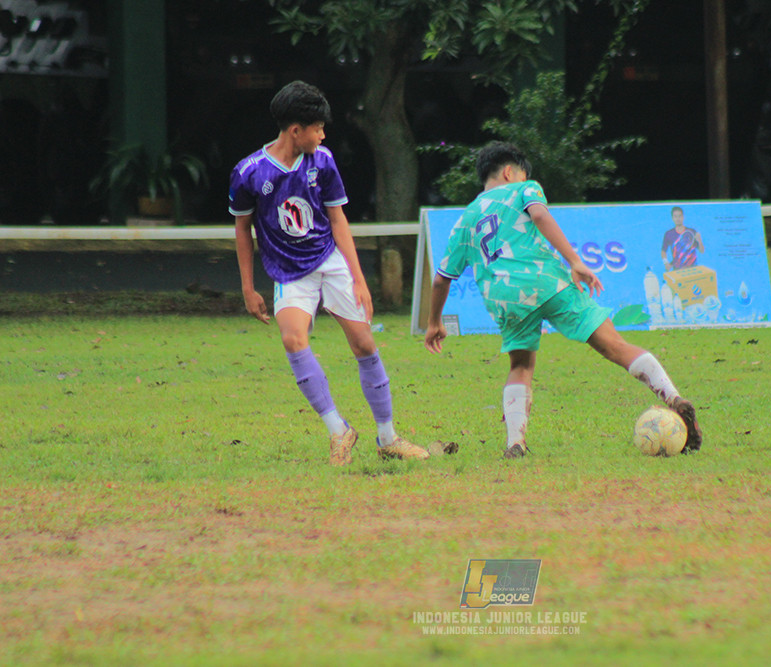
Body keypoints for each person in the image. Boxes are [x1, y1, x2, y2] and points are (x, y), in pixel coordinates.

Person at [423, 141, 702, 458]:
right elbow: (540, 216)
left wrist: (434, 322)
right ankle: (674, 399)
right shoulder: (524, 188)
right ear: (510, 171)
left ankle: (515, 442)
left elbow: (440, 278)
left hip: (502, 298)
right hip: (545, 282)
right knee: (614, 345)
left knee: (521, 364)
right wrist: (574, 260)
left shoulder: (466, 219)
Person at [229, 80, 429, 465]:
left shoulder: (324, 161)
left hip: (329, 261)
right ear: (295, 131)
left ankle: (388, 437)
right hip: (288, 271)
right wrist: (248, 288)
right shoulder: (249, 172)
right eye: (318, 128)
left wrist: (357, 278)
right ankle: (339, 430)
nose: (323, 135)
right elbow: (242, 229)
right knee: (292, 340)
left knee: (364, 346)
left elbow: (338, 220)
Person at [660, 206, 705, 272]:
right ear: (672, 218)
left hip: (693, 270)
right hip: (678, 270)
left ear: (683, 217)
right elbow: (663, 251)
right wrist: (666, 263)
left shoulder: (692, 232)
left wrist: (700, 241)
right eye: (675, 216)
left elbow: (702, 251)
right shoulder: (668, 234)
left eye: (680, 216)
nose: (678, 218)